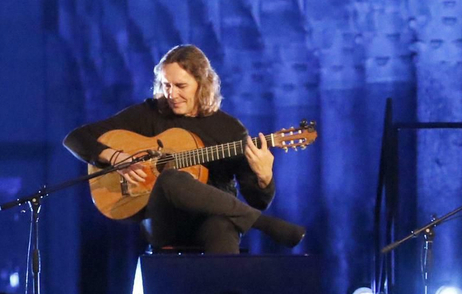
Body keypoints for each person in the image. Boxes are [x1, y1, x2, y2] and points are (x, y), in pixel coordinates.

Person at [63, 45, 305, 254]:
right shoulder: (151, 113)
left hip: (211, 219)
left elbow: (255, 200)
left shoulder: (230, 129)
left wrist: (264, 177)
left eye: (181, 86)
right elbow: (76, 138)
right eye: (166, 85)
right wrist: (116, 157)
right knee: (171, 178)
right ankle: (265, 226)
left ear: (202, 84)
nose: (172, 94)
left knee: (222, 227)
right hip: (164, 220)